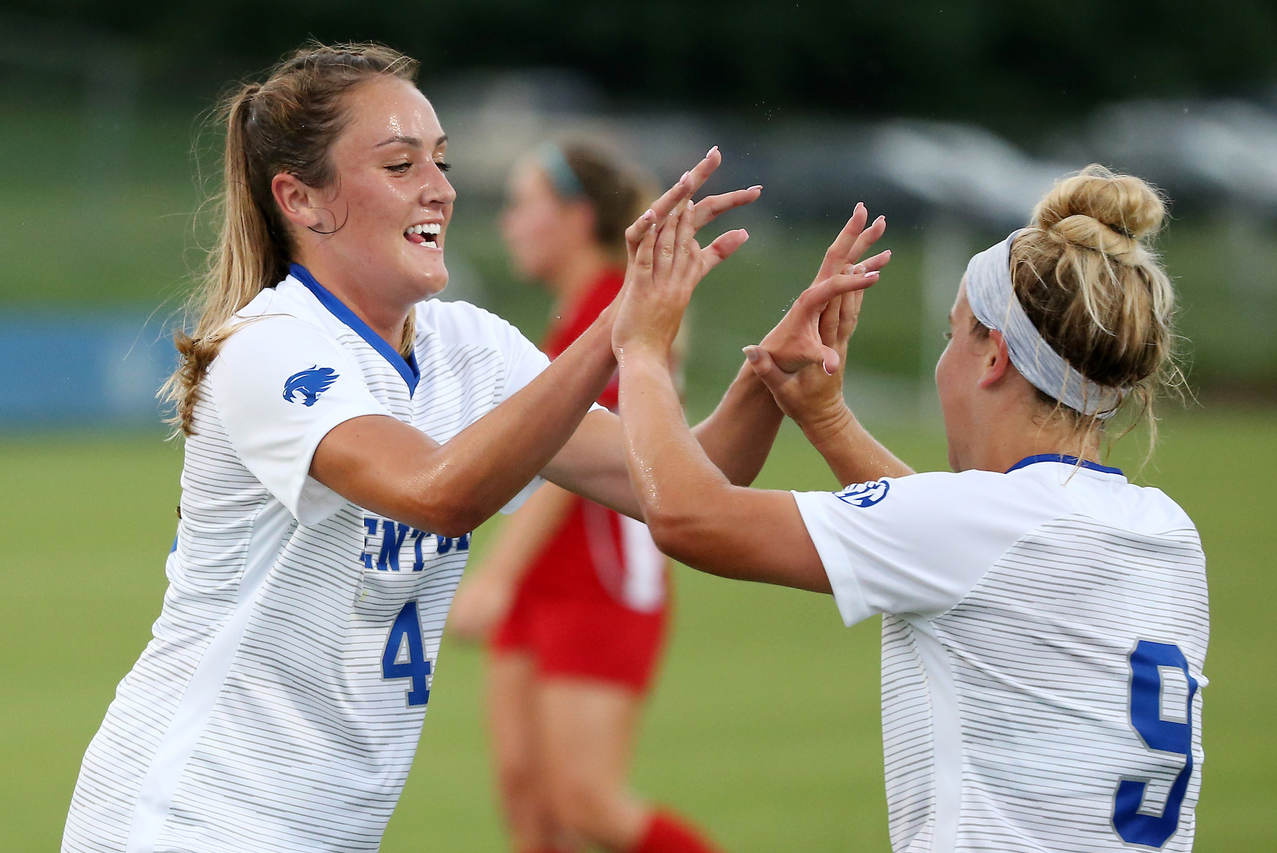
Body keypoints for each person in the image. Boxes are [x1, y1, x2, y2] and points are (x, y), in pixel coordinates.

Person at [58, 42, 854, 853]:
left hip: (321, 828)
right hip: (190, 816)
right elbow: (435, 491)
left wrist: (771, 375)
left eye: (439, 160)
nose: (439, 187)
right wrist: (618, 332)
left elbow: (692, 479)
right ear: (301, 198)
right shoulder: (270, 347)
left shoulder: (468, 344)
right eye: (400, 164)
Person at [609, 165, 1207, 852]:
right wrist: (828, 421)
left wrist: (643, 348)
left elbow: (689, 515)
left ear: (994, 360)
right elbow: (971, 567)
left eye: (955, 336)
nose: (944, 361)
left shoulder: (980, 526)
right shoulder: (1166, 531)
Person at [449, 141, 701, 853]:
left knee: (586, 803)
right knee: (528, 804)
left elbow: (575, 461)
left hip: (601, 578)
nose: (508, 224)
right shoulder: (568, 321)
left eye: (524, 205)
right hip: (542, 580)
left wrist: (494, 574)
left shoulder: (621, 312)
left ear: (575, 216)